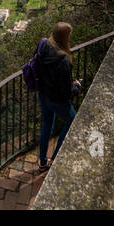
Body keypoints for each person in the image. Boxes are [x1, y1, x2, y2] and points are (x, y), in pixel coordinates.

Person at [34, 21, 82, 172]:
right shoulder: (63, 60)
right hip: (57, 101)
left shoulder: (44, 45)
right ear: (65, 38)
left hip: (43, 94)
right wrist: (76, 87)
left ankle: (43, 162)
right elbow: (66, 91)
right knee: (72, 122)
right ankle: (55, 159)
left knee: (47, 125)